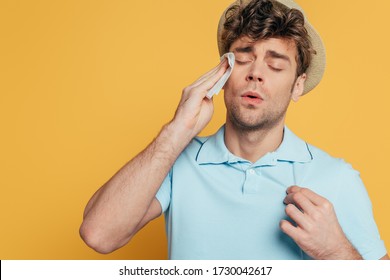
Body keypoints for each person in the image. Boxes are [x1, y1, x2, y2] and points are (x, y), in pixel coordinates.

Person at [79, 0, 389, 260]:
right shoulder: (176, 162)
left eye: (276, 64)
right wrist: (176, 131)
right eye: (243, 58)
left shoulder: (335, 178)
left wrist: (337, 253)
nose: (255, 73)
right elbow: (98, 234)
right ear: (223, 72)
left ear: (298, 86)